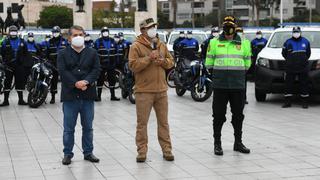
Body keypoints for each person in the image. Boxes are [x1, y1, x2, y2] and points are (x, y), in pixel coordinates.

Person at [129, 18, 175, 162]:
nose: (153, 29)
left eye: (154, 26)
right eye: (150, 27)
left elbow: (171, 62)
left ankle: (167, 150)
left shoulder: (161, 44)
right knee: (142, 124)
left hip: (161, 90)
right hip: (144, 91)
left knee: (164, 122)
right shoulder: (135, 46)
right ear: (143, 30)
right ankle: (142, 151)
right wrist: (148, 58)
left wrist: (163, 61)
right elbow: (133, 66)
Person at [205, 16, 251, 156]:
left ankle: (238, 143)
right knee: (218, 116)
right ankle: (217, 144)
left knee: (238, 115)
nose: (228, 28)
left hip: (237, 85)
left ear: (235, 27)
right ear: (222, 27)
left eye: (230, 25)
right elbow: (208, 64)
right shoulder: (214, 43)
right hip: (220, 85)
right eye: (226, 25)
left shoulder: (244, 43)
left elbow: (247, 64)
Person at [57, 25, 100, 165]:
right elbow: (63, 72)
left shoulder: (92, 52)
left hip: (87, 96)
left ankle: (88, 152)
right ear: (69, 38)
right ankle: (67, 154)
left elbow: (96, 70)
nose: (78, 37)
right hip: (70, 96)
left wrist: (86, 81)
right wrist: (76, 83)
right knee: (69, 128)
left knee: (88, 127)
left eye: (80, 34)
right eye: (75, 35)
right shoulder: (62, 54)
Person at [282, 26, 311, 109]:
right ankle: (287, 102)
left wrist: (302, 61)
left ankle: (305, 103)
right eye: (294, 32)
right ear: (292, 32)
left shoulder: (306, 41)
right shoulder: (287, 42)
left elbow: (308, 54)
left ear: (300, 32)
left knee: (304, 84)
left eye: (297, 32)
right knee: (288, 85)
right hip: (290, 67)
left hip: (303, 67)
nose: (296, 33)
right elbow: (284, 54)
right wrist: (290, 61)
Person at [0, 25, 28, 106]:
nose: (13, 32)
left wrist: (23, 63)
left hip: (19, 66)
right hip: (8, 66)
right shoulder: (5, 41)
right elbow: (2, 52)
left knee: (20, 82)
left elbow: (25, 53)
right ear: (9, 32)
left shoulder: (22, 41)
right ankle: (6, 101)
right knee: (7, 83)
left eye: (14, 31)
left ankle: (21, 100)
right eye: (11, 31)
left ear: (17, 32)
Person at [94, 27, 119, 101]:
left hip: (111, 64)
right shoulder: (98, 41)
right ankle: (98, 96)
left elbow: (116, 52)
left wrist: (115, 63)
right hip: (101, 65)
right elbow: (95, 54)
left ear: (108, 32)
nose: (105, 32)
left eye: (106, 31)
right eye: (104, 31)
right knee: (100, 80)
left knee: (112, 80)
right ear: (101, 33)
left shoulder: (112, 41)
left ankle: (113, 96)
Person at [46, 26, 68, 104]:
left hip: (63, 65)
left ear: (60, 33)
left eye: (56, 32)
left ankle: (64, 97)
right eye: (54, 32)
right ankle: (53, 97)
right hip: (53, 65)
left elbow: (69, 53)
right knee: (53, 81)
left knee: (65, 82)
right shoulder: (50, 42)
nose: (55, 34)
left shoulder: (65, 41)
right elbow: (47, 53)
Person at [236, 27, 252, 105]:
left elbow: (248, 55)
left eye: (240, 32)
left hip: (243, 67)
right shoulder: (233, 42)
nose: (239, 33)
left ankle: (243, 98)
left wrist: (247, 67)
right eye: (237, 32)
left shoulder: (246, 42)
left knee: (243, 84)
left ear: (243, 33)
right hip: (234, 67)